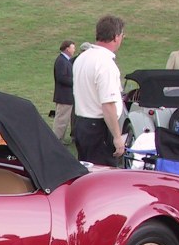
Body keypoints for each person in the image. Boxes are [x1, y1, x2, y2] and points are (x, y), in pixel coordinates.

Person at [72, 15, 126, 166]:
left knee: (86, 171)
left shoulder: (82, 58)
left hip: (81, 123)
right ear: (116, 37)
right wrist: (117, 137)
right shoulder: (105, 63)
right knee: (103, 176)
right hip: (99, 128)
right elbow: (108, 104)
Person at [52, 40, 75, 141]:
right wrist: (75, 81)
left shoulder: (65, 60)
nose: (74, 50)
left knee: (64, 121)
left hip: (67, 97)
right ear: (67, 49)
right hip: (64, 97)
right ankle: (55, 141)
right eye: (72, 47)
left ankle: (59, 140)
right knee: (61, 121)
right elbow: (61, 78)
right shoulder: (61, 61)